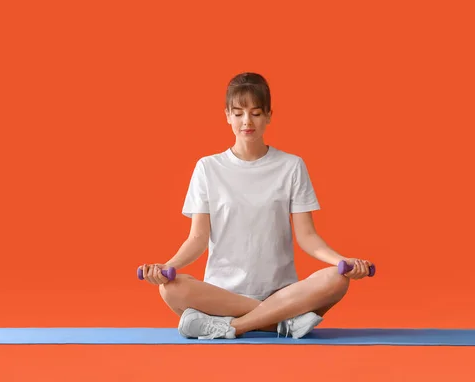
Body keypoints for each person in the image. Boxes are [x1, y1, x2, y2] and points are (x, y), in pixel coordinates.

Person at [139, 72, 373, 340]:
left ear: (269, 115)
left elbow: (307, 237)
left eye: (256, 113)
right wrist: (166, 266)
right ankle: (283, 319)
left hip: (282, 291)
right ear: (227, 115)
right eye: (238, 113)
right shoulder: (207, 168)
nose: (246, 121)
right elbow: (197, 238)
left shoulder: (291, 166)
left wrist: (342, 261)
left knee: (336, 280)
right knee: (170, 288)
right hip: (221, 296)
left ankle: (233, 326)